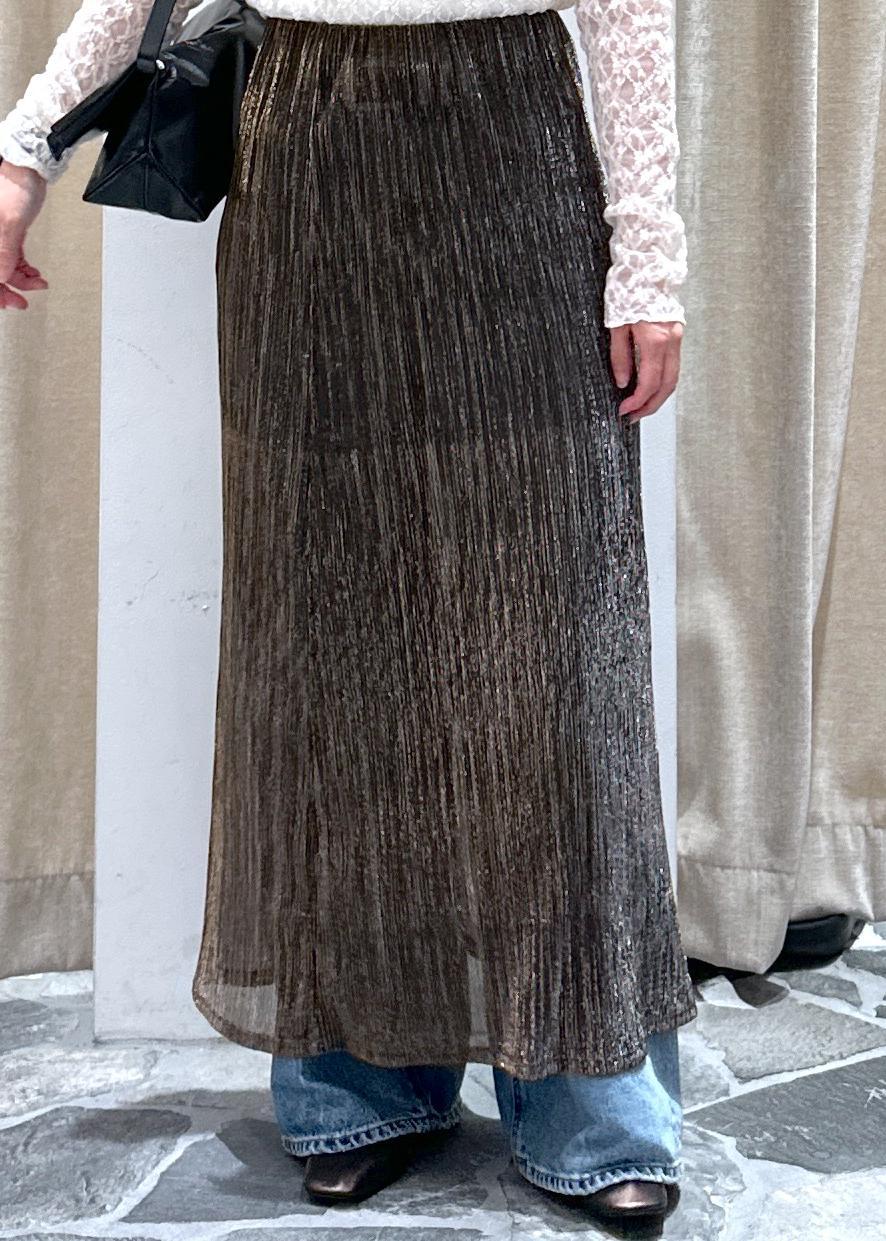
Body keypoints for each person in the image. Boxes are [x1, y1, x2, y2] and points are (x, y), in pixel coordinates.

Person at [0, 0, 696, 1227]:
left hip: (510, 130)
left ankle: (592, 1100)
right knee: (330, 636)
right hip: (304, 146)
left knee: (553, 643)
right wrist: (26, 144)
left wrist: (647, 255)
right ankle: (359, 1082)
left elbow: (626, 6)